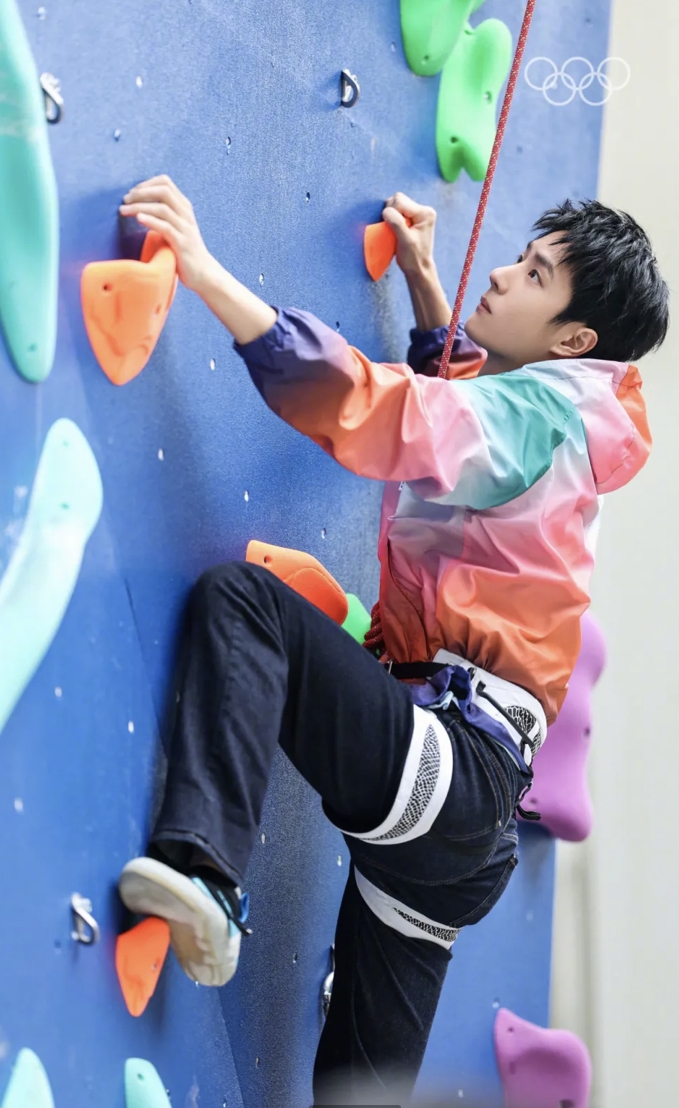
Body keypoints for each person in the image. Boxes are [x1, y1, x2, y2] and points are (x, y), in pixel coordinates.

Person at [116, 177, 668, 1106]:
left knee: (247, 607)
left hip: (451, 768)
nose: (505, 274)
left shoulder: (537, 421)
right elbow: (469, 419)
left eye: (535, 275)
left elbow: (395, 416)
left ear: (574, 341)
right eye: (520, 259)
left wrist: (205, 272)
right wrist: (423, 287)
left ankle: (203, 872)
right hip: (462, 834)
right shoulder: (572, 419)